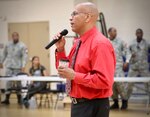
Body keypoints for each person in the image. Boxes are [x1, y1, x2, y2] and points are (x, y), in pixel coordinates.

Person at [55, 2, 116, 117]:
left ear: (87, 17)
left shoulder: (100, 44)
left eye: (74, 14)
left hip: (93, 106)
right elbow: (65, 71)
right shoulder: (79, 42)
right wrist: (61, 49)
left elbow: (104, 81)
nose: (70, 18)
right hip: (79, 104)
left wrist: (74, 76)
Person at [0, 32, 28, 105]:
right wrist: (1, 62)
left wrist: (23, 66)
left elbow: (24, 56)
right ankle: (7, 98)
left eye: (16, 36)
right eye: (13, 36)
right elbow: (4, 54)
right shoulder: (8, 44)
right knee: (8, 82)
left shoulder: (22, 45)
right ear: (12, 37)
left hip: (18, 66)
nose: (15, 37)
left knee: (18, 83)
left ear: (18, 36)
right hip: (9, 66)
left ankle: (19, 99)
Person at [108, 27, 131, 110]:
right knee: (111, 85)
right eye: (114, 31)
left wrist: (127, 61)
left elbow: (128, 51)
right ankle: (115, 102)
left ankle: (125, 102)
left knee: (121, 84)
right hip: (108, 67)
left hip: (118, 67)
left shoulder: (121, 41)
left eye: (116, 31)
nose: (115, 33)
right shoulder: (106, 41)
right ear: (109, 32)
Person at [127, 28, 150, 98]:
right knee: (129, 83)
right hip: (134, 67)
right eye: (138, 33)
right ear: (136, 34)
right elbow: (128, 53)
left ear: (142, 34)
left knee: (148, 84)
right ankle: (125, 100)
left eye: (140, 33)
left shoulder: (147, 43)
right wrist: (130, 57)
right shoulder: (131, 43)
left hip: (144, 67)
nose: (139, 34)